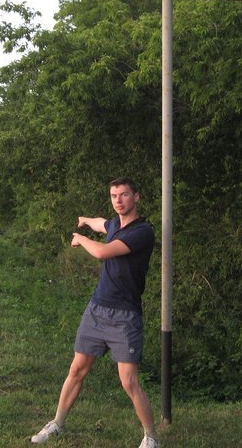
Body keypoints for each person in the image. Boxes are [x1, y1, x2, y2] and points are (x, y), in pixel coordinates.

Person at [31, 177, 160, 448]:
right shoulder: (114, 225)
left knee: (129, 381)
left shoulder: (142, 232)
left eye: (124, 195)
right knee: (77, 369)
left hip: (125, 316)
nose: (118, 200)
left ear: (136, 197)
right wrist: (85, 219)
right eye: (114, 196)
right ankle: (57, 423)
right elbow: (101, 221)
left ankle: (151, 438)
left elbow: (102, 253)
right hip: (97, 309)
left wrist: (80, 238)